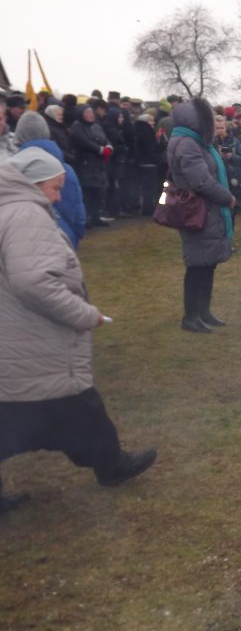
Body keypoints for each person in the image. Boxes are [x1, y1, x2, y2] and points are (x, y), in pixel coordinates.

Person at [0, 147, 156, 512]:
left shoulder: (9, 208)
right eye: (54, 188)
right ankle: (112, 465)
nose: (57, 196)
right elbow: (35, 282)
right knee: (78, 405)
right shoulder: (25, 214)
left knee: (22, 413)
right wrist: (84, 315)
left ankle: (109, 462)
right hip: (32, 336)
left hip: (15, 334)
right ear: (33, 183)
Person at [166, 98, 236, 333]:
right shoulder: (188, 144)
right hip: (197, 213)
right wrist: (227, 198)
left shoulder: (195, 142)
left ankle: (203, 311)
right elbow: (201, 181)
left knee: (207, 264)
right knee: (197, 266)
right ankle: (190, 316)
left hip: (207, 212)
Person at [14, 111, 87, 248]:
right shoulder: (67, 169)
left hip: (30, 241)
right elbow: (79, 209)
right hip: (67, 237)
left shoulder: (16, 170)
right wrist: (77, 234)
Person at [69, 105, 112, 228]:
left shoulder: (96, 126)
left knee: (97, 193)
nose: (91, 115)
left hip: (98, 164)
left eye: (91, 112)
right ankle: (85, 218)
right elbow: (84, 142)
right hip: (86, 163)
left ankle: (95, 217)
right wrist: (100, 150)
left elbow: (106, 138)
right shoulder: (77, 127)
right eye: (87, 113)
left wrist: (109, 147)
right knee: (87, 193)